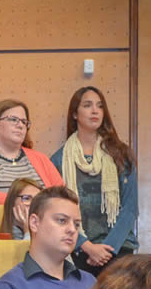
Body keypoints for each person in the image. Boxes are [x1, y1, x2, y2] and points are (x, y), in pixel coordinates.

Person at [51, 86, 139, 276]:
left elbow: (130, 208)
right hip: (75, 249)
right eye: (87, 105)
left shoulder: (122, 155)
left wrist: (107, 248)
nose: (95, 111)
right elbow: (57, 211)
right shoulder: (58, 160)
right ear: (75, 114)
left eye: (100, 106)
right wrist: (88, 247)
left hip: (118, 250)